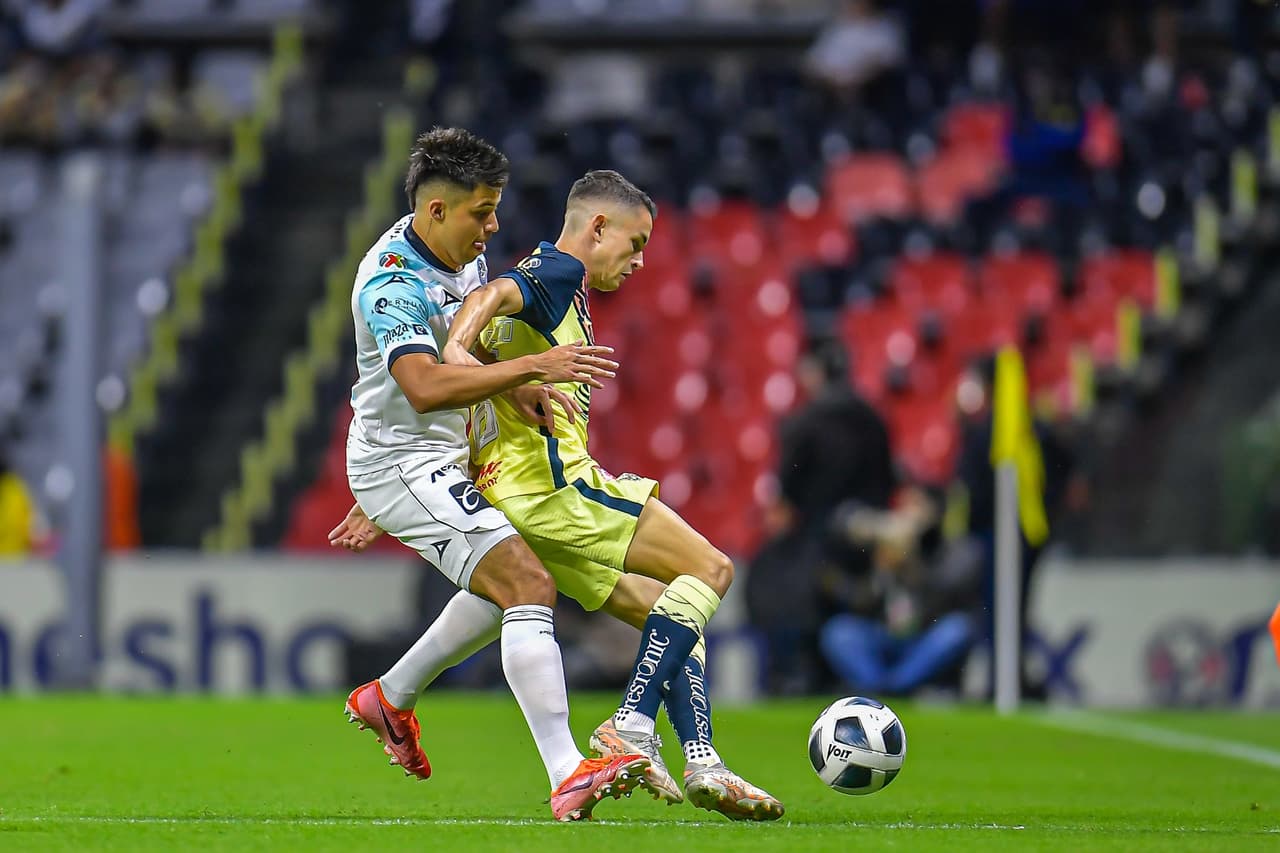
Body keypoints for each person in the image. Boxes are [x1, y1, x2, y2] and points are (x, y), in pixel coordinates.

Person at [330, 169, 783, 821]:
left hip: (502, 487)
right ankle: (628, 727)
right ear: (597, 227)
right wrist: (463, 345)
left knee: (666, 612)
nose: (641, 259)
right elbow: (491, 296)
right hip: (551, 488)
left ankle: (703, 759)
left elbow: (484, 326)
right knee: (709, 569)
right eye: (635, 241)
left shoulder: (549, 283)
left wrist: (404, 464)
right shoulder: (558, 271)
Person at [339, 127, 648, 822]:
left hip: (437, 451)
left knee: (516, 572)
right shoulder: (393, 281)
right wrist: (532, 367)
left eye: (496, 207)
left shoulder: (458, 250)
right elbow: (421, 384)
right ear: (437, 210)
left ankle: (389, 697)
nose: (495, 225)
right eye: (482, 211)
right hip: (405, 460)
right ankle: (568, 770)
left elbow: (463, 350)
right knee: (529, 582)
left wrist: (508, 390)